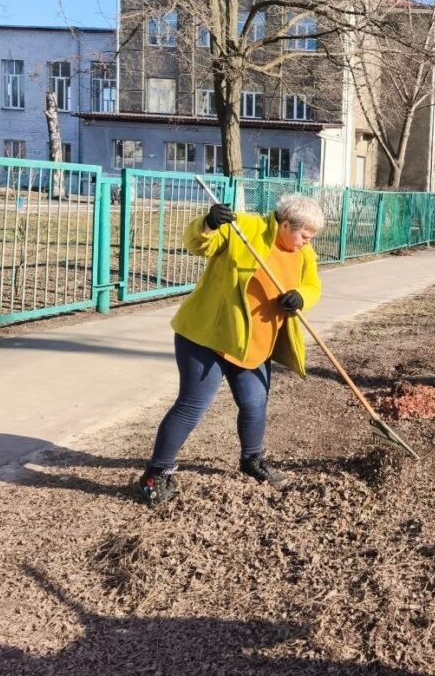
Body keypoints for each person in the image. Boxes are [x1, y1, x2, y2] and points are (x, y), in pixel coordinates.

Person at [138, 194, 324, 506]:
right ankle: (156, 474)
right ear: (285, 225)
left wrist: (301, 297)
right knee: (193, 405)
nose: (308, 243)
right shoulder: (243, 229)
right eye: (304, 235)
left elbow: (313, 286)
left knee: (255, 402)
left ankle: (253, 459)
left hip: (253, 344)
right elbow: (198, 244)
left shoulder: (304, 255)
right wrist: (208, 224)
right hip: (207, 336)